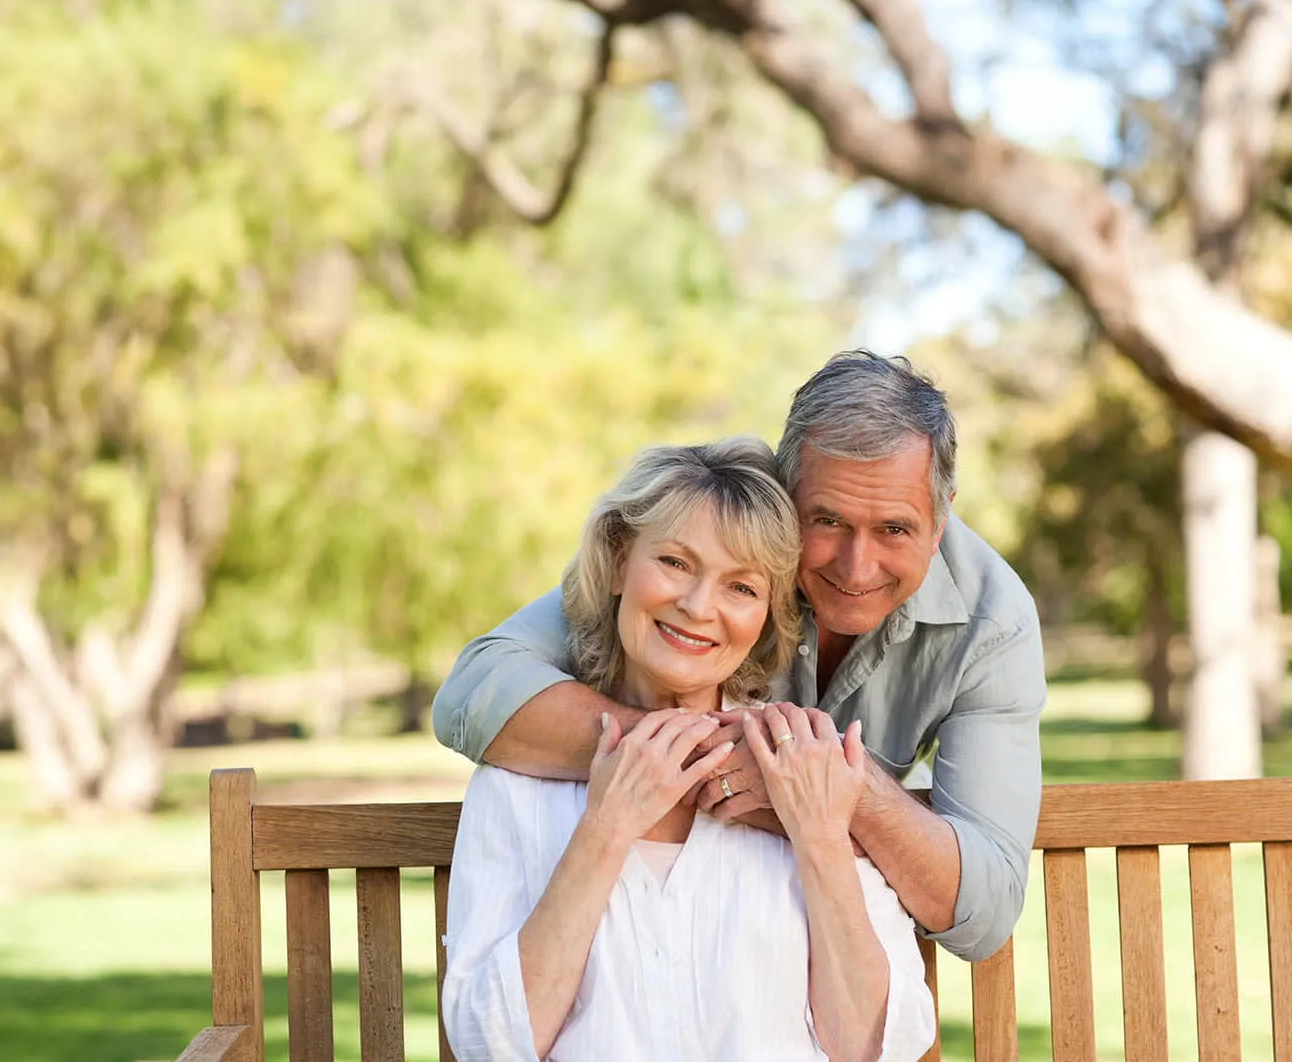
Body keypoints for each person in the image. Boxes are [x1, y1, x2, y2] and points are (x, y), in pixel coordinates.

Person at [433, 351, 1044, 962]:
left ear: (940, 521)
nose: (857, 568)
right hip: (659, 933)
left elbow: (983, 912)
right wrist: (701, 753)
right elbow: (474, 692)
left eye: (894, 530)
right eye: (826, 520)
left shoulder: (993, 622)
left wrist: (823, 786)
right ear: (786, 492)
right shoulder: (720, 542)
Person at [442, 437, 935, 1061]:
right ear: (620, 562)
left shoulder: (805, 769)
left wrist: (820, 838)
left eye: (742, 588)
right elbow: (490, 1044)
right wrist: (604, 828)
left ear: (768, 616)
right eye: (675, 562)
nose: (699, 607)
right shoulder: (518, 778)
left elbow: (878, 1049)